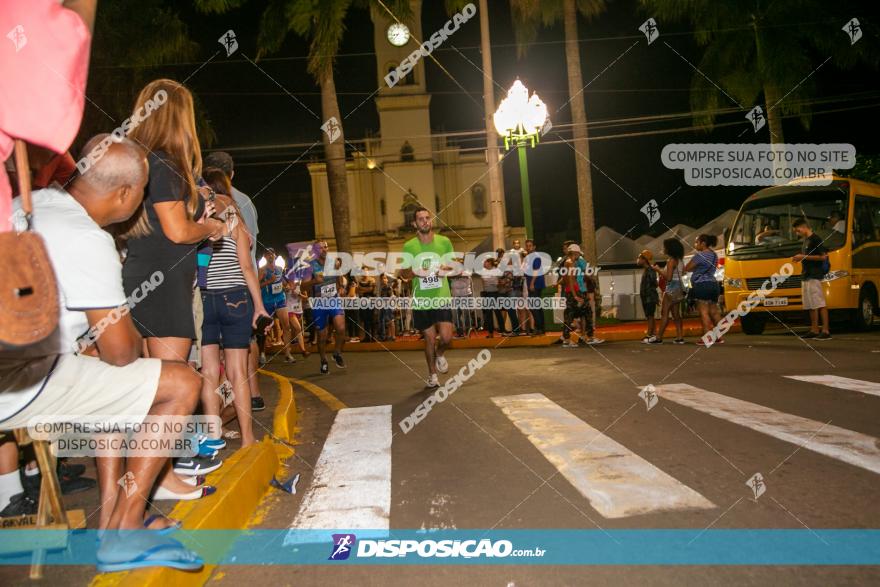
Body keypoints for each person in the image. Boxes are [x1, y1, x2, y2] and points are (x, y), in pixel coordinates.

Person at [0, 136, 204, 570]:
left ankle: (112, 515)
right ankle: (124, 532)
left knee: (98, 379)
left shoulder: (28, 202)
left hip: (17, 365)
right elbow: (122, 353)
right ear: (126, 194)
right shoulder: (87, 238)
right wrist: (116, 333)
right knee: (181, 382)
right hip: (15, 386)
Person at [114, 79, 227, 484]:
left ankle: (158, 477)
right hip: (161, 286)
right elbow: (178, 231)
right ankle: (158, 481)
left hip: (146, 277)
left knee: (149, 388)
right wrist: (209, 226)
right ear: (180, 117)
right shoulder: (164, 163)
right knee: (170, 386)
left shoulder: (142, 162)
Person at [199, 169, 271, 448]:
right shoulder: (236, 225)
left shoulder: (198, 224)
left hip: (206, 299)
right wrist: (259, 306)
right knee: (238, 372)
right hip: (236, 299)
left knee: (209, 373)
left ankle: (213, 437)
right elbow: (247, 268)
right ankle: (248, 438)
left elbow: (196, 269)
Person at [400, 207, 454, 388]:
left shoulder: (444, 242)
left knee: (446, 338)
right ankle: (432, 376)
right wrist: (415, 271)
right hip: (422, 301)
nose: (425, 221)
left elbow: (452, 266)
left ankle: (440, 354)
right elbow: (404, 275)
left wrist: (444, 269)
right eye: (420, 219)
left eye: (427, 218)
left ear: (431, 221)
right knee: (429, 339)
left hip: (441, 297)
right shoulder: (409, 246)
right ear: (415, 224)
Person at [300, 241, 346, 374]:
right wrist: (314, 281)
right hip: (319, 303)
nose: (324, 249)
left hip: (333, 299)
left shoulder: (335, 263)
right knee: (322, 336)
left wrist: (341, 287)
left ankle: (337, 353)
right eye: (320, 248)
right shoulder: (310, 266)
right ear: (315, 251)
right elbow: (303, 287)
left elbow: (340, 278)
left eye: (325, 247)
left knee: (341, 328)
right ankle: (323, 360)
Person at [793, 218, 831, 339]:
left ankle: (825, 330)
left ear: (804, 227)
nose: (797, 233)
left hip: (814, 275)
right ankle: (814, 329)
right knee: (810, 304)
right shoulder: (806, 241)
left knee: (819, 303)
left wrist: (803, 256)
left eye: (797, 230)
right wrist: (800, 258)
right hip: (806, 275)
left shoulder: (816, 239)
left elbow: (823, 257)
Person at [685, 235, 723, 346]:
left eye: (696, 242)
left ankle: (707, 337)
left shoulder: (699, 256)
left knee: (704, 312)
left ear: (703, 243)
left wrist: (696, 269)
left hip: (701, 285)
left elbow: (687, 268)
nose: (695, 245)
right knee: (714, 311)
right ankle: (719, 337)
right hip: (713, 284)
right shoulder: (714, 255)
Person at [259, 248, 296, 362]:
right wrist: (269, 281)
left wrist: (287, 287)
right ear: (265, 257)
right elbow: (256, 285)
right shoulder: (262, 270)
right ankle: (262, 353)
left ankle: (288, 353)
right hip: (267, 301)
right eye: (268, 254)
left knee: (286, 326)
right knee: (264, 329)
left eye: (272, 254)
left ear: (275, 256)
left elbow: (283, 283)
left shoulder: (280, 269)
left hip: (280, 299)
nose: (271, 256)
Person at [650, 239, 686, 344]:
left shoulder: (671, 261)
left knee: (664, 313)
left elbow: (668, 277)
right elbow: (680, 273)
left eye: (665, 247)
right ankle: (680, 337)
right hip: (679, 288)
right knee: (676, 314)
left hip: (671, 288)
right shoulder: (680, 260)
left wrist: (658, 270)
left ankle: (658, 337)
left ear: (670, 248)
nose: (663, 248)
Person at [638, 250, 660, 343]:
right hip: (647, 296)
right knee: (650, 316)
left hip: (649, 297)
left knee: (650, 316)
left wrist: (654, 297)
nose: (638, 260)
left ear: (644, 259)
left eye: (639, 258)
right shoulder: (647, 270)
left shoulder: (650, 270)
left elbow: (654, 283)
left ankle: (649, 334)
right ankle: (653, 334)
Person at [525, 239, 546, 336]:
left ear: (534, 247)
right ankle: (541, 328)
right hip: (532, 283)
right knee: (536, 306)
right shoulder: (529, 257)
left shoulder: (535, 257)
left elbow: (536, 271)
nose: (528, 247)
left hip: (536, 284)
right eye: (527, 246)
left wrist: (532, 283)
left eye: (530, 246)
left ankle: (539, 328)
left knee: (533, 306)